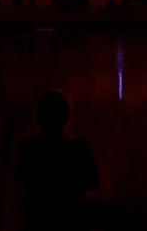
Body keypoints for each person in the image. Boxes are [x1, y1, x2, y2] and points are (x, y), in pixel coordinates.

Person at [18, 90, 99, 230]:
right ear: (66, 116)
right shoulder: (78, 149)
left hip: (38, 221)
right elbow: (92, 183)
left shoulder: (29, 149)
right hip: (70, 221)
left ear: (38, 117)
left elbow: (23, 182)